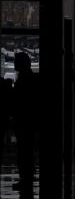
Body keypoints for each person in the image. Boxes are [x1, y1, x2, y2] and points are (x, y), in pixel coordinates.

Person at [12, 53, 37, 190]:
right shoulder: (29, 78)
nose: (15, 63)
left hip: (23, 121)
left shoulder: (23, 80)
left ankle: (25, 179)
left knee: (23, 152)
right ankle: (26, 179)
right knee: (26, 151)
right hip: (28, 121)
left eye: (16, 61)